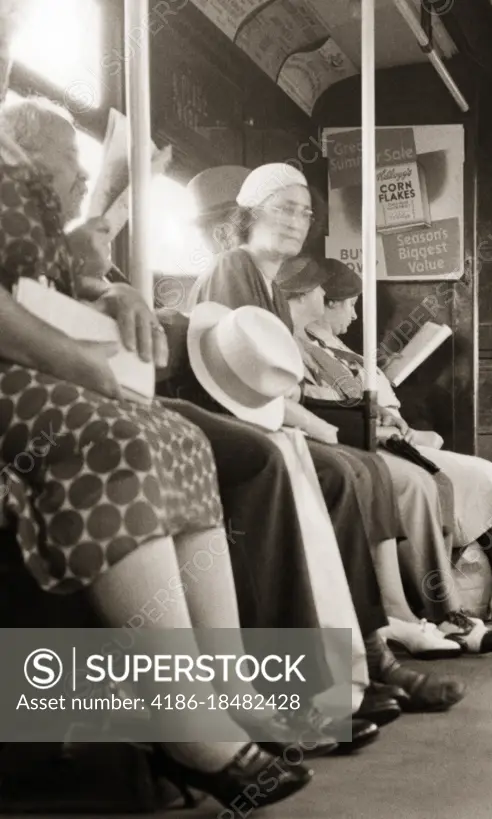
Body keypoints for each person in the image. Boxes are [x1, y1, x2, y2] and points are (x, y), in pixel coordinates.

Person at [0, 100, 309, 809]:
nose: (80, 189)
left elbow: (66, 268)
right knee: (120, 437)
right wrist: (74, 359)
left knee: (186, 439)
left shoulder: (33, 198)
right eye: (69, 176)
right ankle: (183, 722)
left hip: (35, 362)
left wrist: (109, 290)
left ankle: (225, 686)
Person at [183, 164, 467, 706]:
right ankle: (353, 663)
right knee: (340, 472)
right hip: (235, 425)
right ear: (248, 213)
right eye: (282, 207)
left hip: (264, 419)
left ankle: (374, 648)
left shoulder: (264, 279)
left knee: (360, 467)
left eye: (304, 211)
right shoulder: (234, 268)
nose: (296, 221)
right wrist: (316, 425)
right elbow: (245, 382)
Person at [282, 254, 492, 625]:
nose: (354, 317)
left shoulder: (333, 346)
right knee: (449, 481)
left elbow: (368, 397)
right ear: (317, 301)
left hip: (384, 433)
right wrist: (383, 424)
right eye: (348, 305)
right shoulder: (297, 347)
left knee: (487, 474)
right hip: (355, 441)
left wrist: (391, 416)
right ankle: (440, 605)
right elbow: (325, 407)